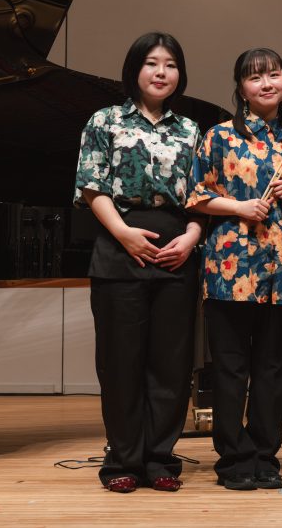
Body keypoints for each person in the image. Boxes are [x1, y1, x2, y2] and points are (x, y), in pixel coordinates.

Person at [74, 32, 203, 493]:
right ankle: (122, 461)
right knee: (120, 362)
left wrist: (191, 238)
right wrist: (124, 233)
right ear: (135, 69)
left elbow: (203, 198)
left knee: (171, 364)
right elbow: (91, 187)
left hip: (176, 253)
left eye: (170, 64)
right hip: (119, 247)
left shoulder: (191, 130)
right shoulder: (104, 120)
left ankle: (160, 459)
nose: (161, 72)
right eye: (152, 62)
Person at [186, 48, 282, 491]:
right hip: (230, 269)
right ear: (241, 88)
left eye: (274, 74)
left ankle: (265, 455)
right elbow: (196, 195)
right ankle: (233, 458)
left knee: (272, 369)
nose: (266, 83)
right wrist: (239, 206)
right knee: (231, 369)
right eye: (255, 77)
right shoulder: (218, 136)